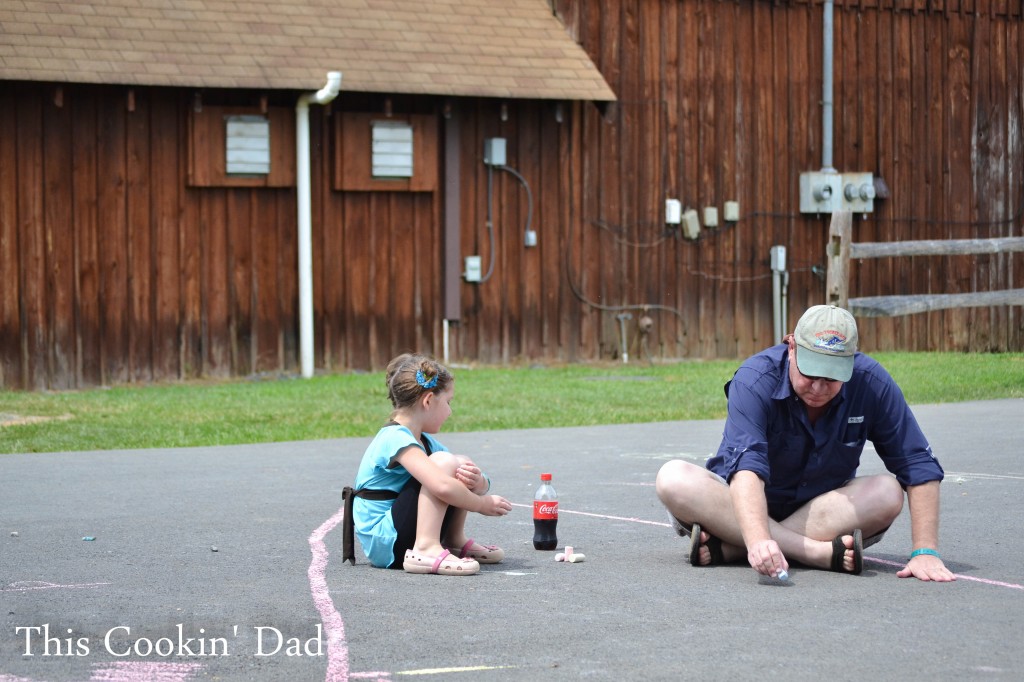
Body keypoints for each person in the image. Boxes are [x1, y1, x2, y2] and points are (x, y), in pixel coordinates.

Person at [656, 304, 955, 582]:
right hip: (740, 507)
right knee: (673, 479)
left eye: (832, 377)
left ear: (851, 361)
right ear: (792, 346)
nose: (818, 387)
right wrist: (759, 540)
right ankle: (813, 552)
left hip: (821, 511)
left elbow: (917, 463)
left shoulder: (872, 382)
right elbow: (747, 470)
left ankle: (732, 548)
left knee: (888, 493)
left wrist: (925, 551)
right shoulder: (754, 379)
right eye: (810, 371)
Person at [342, 353, 512, 576]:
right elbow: (442, 486)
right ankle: (425, 548)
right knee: (444, 463)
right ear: (429, 400)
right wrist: (481, 503)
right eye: (448, 402)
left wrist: (478, 481)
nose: (451, 411)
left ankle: (453, 540)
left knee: (459, 462)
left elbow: (460, 473)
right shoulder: (394, 438)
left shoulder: (425, 442)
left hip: (399, 533)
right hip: (386, 543)